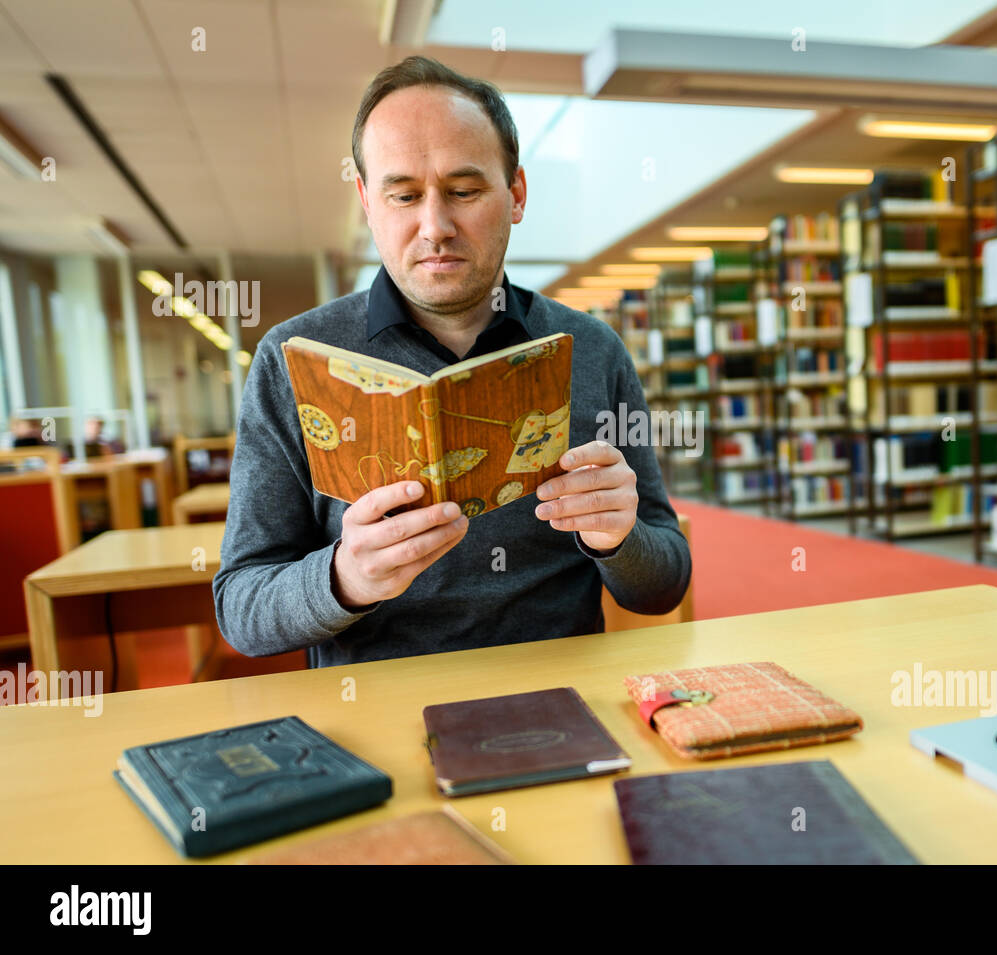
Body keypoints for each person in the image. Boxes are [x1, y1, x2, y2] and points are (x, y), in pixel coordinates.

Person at [213, 56, 691, 667]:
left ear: (515, 194)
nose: (434, 226)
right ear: (367, 201)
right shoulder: (291, 360)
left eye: (463, 191)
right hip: (377, 708)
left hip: (563, 700)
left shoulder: (593, 349)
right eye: (404, 195)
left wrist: (620, 540)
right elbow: (241, 610)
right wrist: (344, 578)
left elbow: (665, 583)